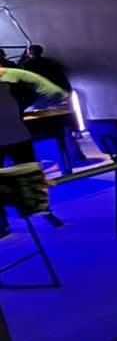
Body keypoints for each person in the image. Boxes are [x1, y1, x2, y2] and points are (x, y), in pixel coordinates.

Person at [0, 66, 67, 238]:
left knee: (28, 179)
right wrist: (32, 105)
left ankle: (3, 223)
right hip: (18, 134)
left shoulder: (11, 75)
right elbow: (56, 92)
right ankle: (43, 213)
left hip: (17, 135)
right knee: (32, 179)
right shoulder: (12, 75)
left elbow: (55, 92)